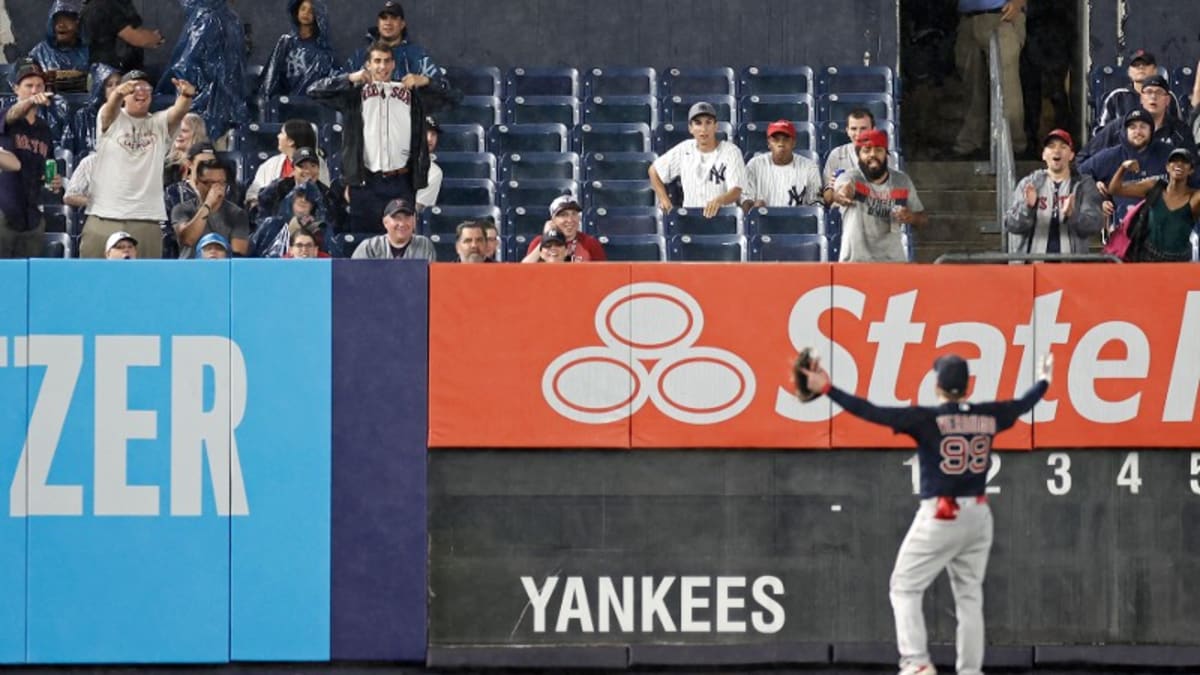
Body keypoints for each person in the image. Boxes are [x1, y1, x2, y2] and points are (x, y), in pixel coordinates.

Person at [798, 350, 1053, 675]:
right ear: (969, 386)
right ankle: (970, 671)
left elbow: (873, 412)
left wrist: (827, 389)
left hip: (941, 516)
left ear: (938, 387)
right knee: (970, 597)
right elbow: (1023, 404)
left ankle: (917, 663)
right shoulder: (991, 416)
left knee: (904, 586)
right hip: (977, 516)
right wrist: (1044, 381)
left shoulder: (926, 420)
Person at [309, 40, 446, 232]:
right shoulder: (354, 94)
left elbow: (452, 96)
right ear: (368, 64)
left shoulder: (411, 93)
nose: (382, 66)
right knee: (363, 239)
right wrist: (349, 78)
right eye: (377, 61)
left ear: (394, 64)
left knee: (400, 240)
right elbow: (314, 91)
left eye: (387, 61)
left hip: (401, 180)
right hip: (366, 180)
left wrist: (426, 81)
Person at [80, 69, 195, 259]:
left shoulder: (158, 123)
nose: (140, 92)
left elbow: (179, 111)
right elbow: (110, 111)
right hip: (103, 216)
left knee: (145, 282)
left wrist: (186, 95)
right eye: (133, 88)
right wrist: (117, 93)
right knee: (94, 279)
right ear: (124, 95)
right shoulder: (111, 116)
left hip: (146, 218)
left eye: (145, 88)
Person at [156, 0, 249, 143]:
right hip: (225, 109)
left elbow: (187, 67)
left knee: (197, 155)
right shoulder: (231, 18)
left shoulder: (206, 18)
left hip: (203, 111)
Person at [1003, 129, 1104, 257]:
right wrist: (1028, 208)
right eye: (1051, 146)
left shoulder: (1084, 185)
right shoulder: (1029, 184)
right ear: (1044, 155)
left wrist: (1073, 215)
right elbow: (1011, 225)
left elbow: (1095, 225)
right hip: (1033, 268)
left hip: (1071, 268)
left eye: (1063, 146)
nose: (1057, 151)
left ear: (1071, 155)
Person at [832, 129, 927, 262]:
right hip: (855, 263)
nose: (873, 154)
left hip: (893, 263)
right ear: (858, 155)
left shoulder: (902, 180)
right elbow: (839, 193)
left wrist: (911, 217)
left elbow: (922, 218)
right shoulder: (850, 177)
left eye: (878, 150)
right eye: (867, 150)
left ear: (886, 153)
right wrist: (841, 194)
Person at [0, 61, 64, 258]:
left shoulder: (44, 128)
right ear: (16, 89)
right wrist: (31, 102)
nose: (34, 90)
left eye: (39, 86)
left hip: (31, 216)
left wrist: (54, 181)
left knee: (26, 280)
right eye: (28, 86)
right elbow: (12, 114)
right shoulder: (5, 115)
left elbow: (47, 168)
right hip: (3, 210)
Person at [1078, 108, 1183, 226]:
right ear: (1125, 131)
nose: (1138, 131)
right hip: (1123, 230)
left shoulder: (1169, 154)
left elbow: (1193, 182)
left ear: (1151, 130)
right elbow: (1076, 176)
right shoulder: (1110, 156)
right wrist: (1096, 195)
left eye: (1143, 126)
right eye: (1132, 127)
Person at [952, 0, 1026, 158]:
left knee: (1007, 89)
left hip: (1001, 17)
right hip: (968, 19)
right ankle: (970, 144)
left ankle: (1013, 147)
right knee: (972, 89)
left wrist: (1019, 2)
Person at [649, 101, 746, 217]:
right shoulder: (684, 149)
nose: (703, 129)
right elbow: (654, 170)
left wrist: (720, 200)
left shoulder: (731, 151)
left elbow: (736, 190)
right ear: (691, 128)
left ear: (716, 126)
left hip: (723, 218)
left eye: (708, 123)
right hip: (691, 218)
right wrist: (664, 199)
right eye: (698, 123)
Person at [1107, 149, 1200, 262]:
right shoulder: (1154, 187)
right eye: (1174, 161)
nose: (1179, 164)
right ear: (1167, 167)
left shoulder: (1194, 197)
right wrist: (1123, 168)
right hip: (1147, 257)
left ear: (1191, 170)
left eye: (1184, 162)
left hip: (1178, 262)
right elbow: (1114, 189)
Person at [1079, 76, 1195, 163]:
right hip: (1121, 188)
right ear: (1141, 99)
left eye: (1159, 92)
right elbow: (1084, 157)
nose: (1153, 97)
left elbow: (1194, 167)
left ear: (1167, 100)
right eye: (1149, 92)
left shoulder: (1180, 131)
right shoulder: (1120, 126)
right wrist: (1094, 182)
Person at [345, 1, 440, 88]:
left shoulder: (417, 56)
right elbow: (331, 84)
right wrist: (349, 78)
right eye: (384, 18)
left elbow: (444, 84)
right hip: (363, 106)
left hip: (408, 106)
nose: (388, 22)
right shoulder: (361, 55)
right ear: (378, 23)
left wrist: (426, 80)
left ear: (402, 24)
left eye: (394, 18)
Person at [171, 158, 250, 258]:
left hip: (222, 269)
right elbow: (188, 239)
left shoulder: (237, 214)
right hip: (190, 268)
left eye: (220, 183)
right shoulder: (181, 209)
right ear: (197, 183)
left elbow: (238, 252)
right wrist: (208, 203)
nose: (215, 188)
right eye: (209, 183)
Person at [258, 0, 337, 99]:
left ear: (317, 16)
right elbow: (271, 75)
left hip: (308, 106)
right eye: (303, 9)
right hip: (283, 103)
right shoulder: (286, 43)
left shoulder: (321, 53)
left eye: (311, 11)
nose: (306, 13)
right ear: (297, 12)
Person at [741, 119, 823, 210]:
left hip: (797, 222)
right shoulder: (754, 165)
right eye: (776, 140)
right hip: (763, 222)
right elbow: (745, 199)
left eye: (786, 139)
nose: (781, 144)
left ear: (793, 143)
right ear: (768, 143)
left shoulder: (809, 167)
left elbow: (817, 204)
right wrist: (752, 207)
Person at [245, 119, 328, 208]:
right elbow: (254, 192)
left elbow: (323, 198)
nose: (278, 136)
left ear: (290, 141)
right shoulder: (270, 164)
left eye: (282, 133)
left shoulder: (319, 164)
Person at [1096, 49, 1181, 131]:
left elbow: (1180, 130)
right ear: (1129, 71)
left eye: (1146, 64)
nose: (1141, 67)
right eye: (1136, 65)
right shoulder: (1116, 97)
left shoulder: (1166, 96)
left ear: (1155, 70)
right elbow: (1102, 133)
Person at [81, 0, 164, 71]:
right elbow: (138, 38)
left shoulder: (91, 5)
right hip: (113, 72)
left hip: (100, 69)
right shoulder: (106, 5)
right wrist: (156, 38)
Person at [251, 179, 326, 258]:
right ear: (292, 199)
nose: (303, 200)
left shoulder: (321, 229)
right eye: (300, 195)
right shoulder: (272, 225)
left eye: (309, 199)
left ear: (313, 205)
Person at [28, 0, 90, 94]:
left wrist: (61, 76)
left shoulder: (91, 50)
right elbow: (24, 80)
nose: (61, 25)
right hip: (48, 105)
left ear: (78, 24)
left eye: (67, 20)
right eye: (57, 20)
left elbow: (99, 82)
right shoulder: (39, 52)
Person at [522, 195, 606, 262]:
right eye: (563, 215)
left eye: (574, 214)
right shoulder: (539, 241)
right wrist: (546, 239)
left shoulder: (590, 243)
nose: (570, 220)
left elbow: (602, 275)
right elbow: (524, 272)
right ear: (553, 220)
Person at [62, 62, 120, 157]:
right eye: (109, 85)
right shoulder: (83, 116)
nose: (115, 89)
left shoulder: (127, 112)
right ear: (100, 88)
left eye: (118, 84)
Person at [350, 197, 436, 260]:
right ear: (385, 222)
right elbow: (354, 279)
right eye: (397, 218)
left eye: (407, 217)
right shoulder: (369, 247)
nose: (402, 224)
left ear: (414, 221)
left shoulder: (424, 245)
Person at [823, 108, 876, 204]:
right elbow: (826, 197)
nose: (858, 134)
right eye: (853, 129)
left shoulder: (885, 157)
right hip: (841, 213)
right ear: (847, 131)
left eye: (863, 128)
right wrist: (834, 195)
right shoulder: (836, 154)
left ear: (873, 130)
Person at [164, 112, 209, 186]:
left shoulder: (207, 163)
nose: (178, 134)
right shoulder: (168, 163)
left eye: (184, 131)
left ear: (197, 134)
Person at [415, 115, 441, 211]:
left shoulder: (434, 172)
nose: (430, 138)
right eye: (425, 133)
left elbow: (417, 210)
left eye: (433, 134)